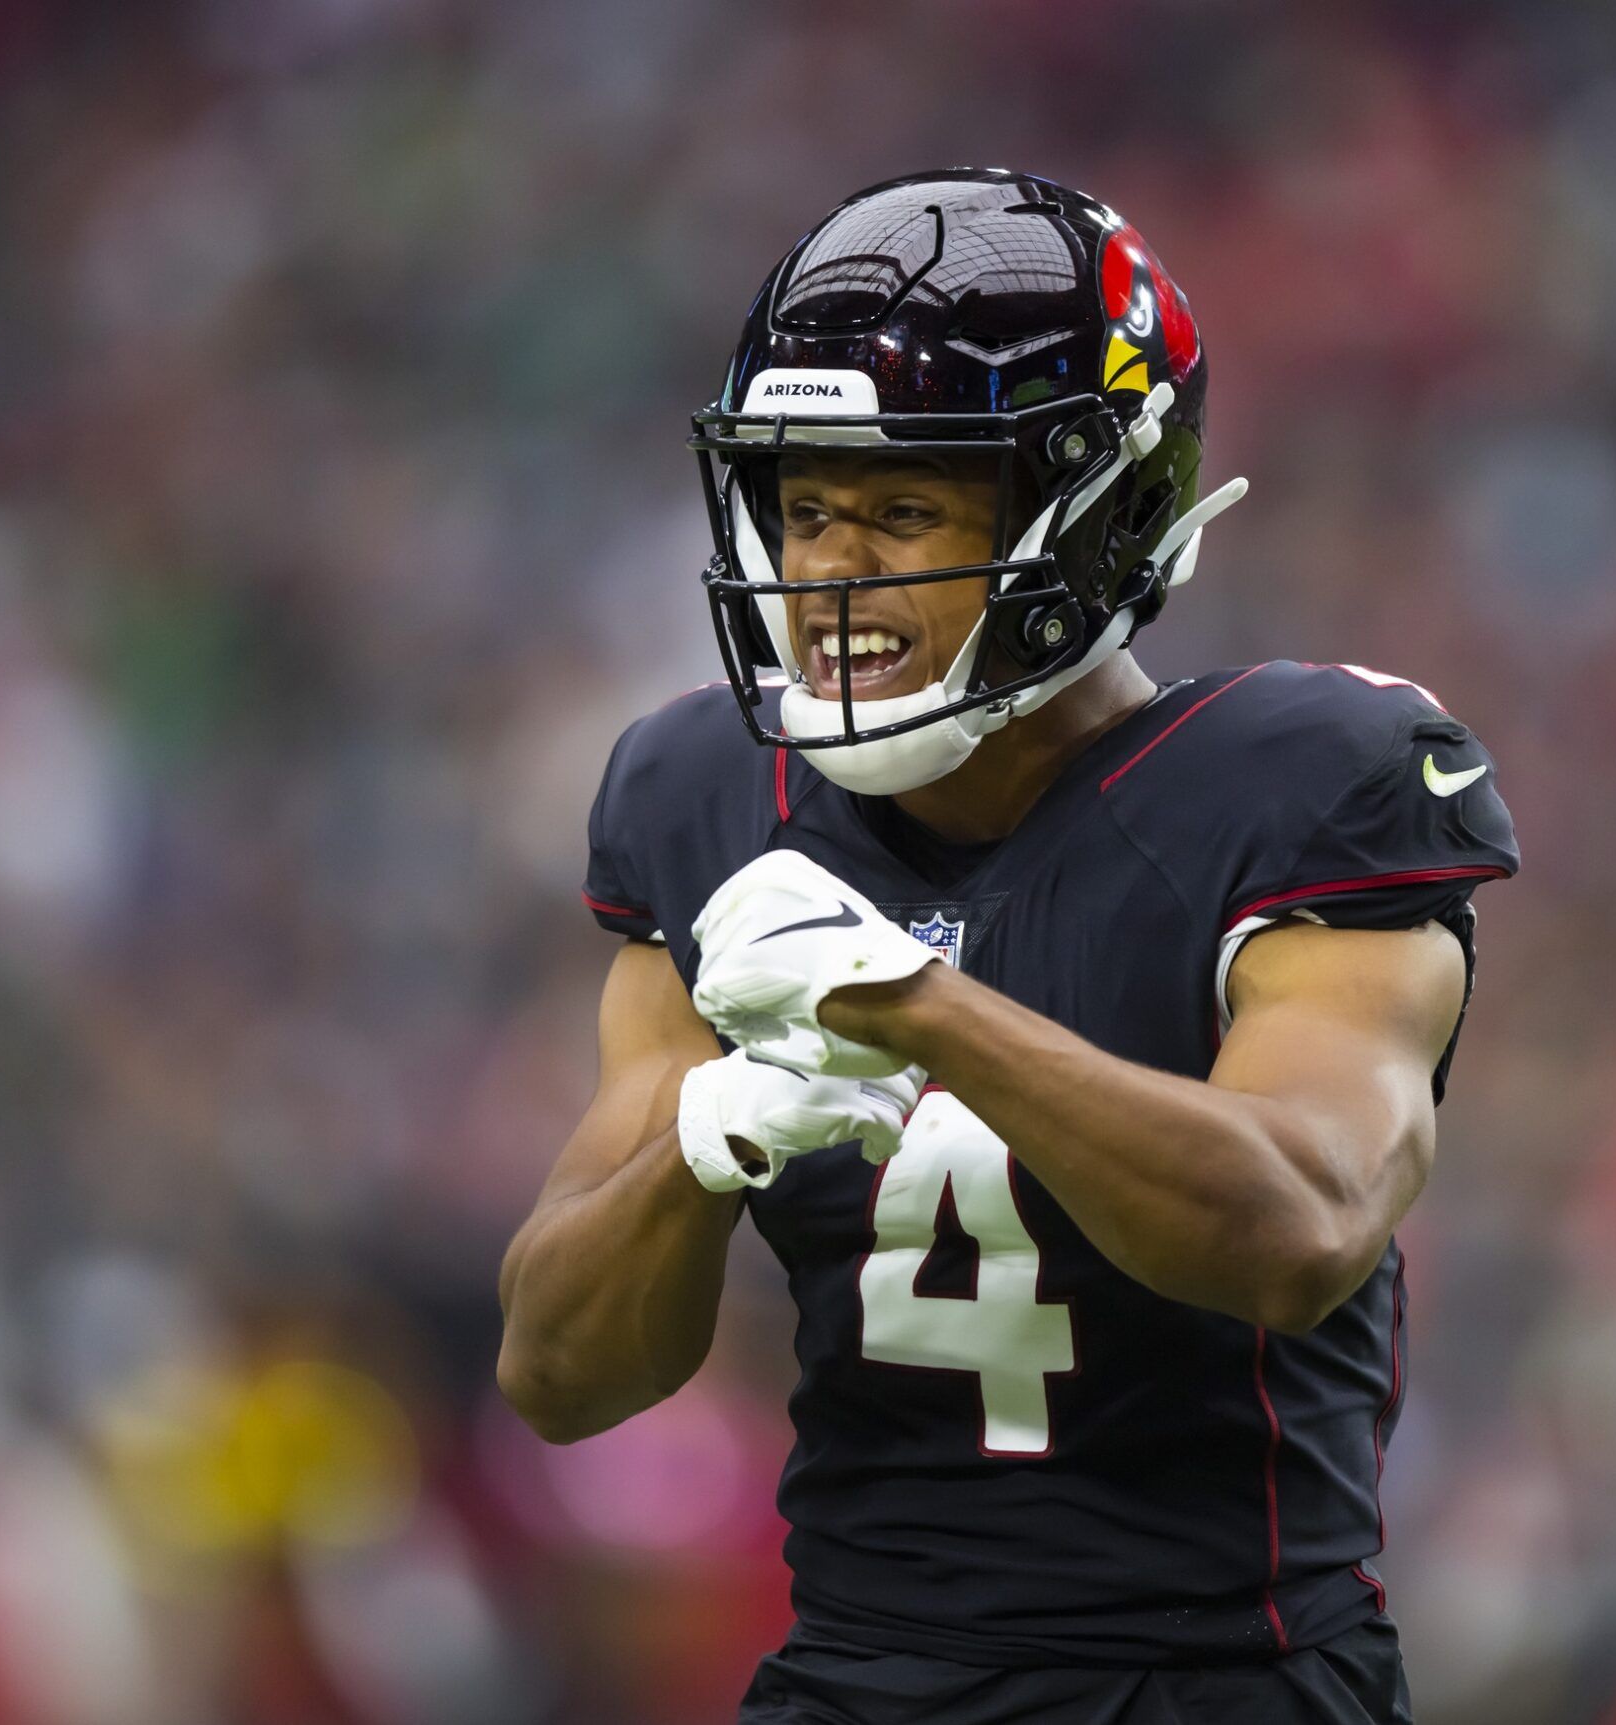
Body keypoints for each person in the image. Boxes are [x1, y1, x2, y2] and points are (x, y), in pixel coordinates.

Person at [497, 168, 1517, 1725]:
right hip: (855, 1676)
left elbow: (1302, 1227)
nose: (832, 570)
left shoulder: (1306, 786)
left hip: (1216, 1682)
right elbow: (559, 1372)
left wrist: (922, 1008)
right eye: (807, 504)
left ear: (1096, 513)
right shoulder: (706, 797)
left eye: (905, 507)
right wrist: (702, 1146)